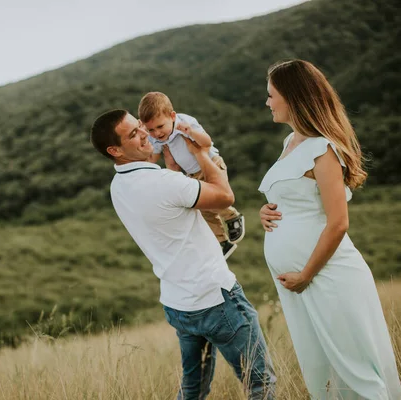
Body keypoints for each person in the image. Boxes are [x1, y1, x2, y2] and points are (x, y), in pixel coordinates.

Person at [90, 109, 276, 400]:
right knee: (260, 385)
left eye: (140, 127)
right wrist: (199, 152)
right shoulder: (164, 183)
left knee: (192, 390)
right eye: (133, 134)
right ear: (115, 150)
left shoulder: (119, 186)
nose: (144, 134)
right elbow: (225, 197)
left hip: (178, 304)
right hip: (215, 298)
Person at [259, 59, 401, 399]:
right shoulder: (290, 143)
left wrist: (307, 274)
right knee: (321, 370)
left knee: (356, 371)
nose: (267, 103)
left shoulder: (323, 150)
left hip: (327, 276)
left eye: (271, 95)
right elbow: (297, 198)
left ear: (293, 97)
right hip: (298, 285)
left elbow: (338, 222)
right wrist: (267, 210)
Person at [138, 92, 245, 259]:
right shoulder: (156, 139)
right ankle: (222, 242)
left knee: (215, 199)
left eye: (160, 127)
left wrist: (191, 132)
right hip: (192, 174)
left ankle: (232, 216)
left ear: (172, 116)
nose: (157, 133)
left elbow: (206, 143)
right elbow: (152, 159)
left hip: (212, 164)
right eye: (150, 129)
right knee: (203, 210)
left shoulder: (184, 123)